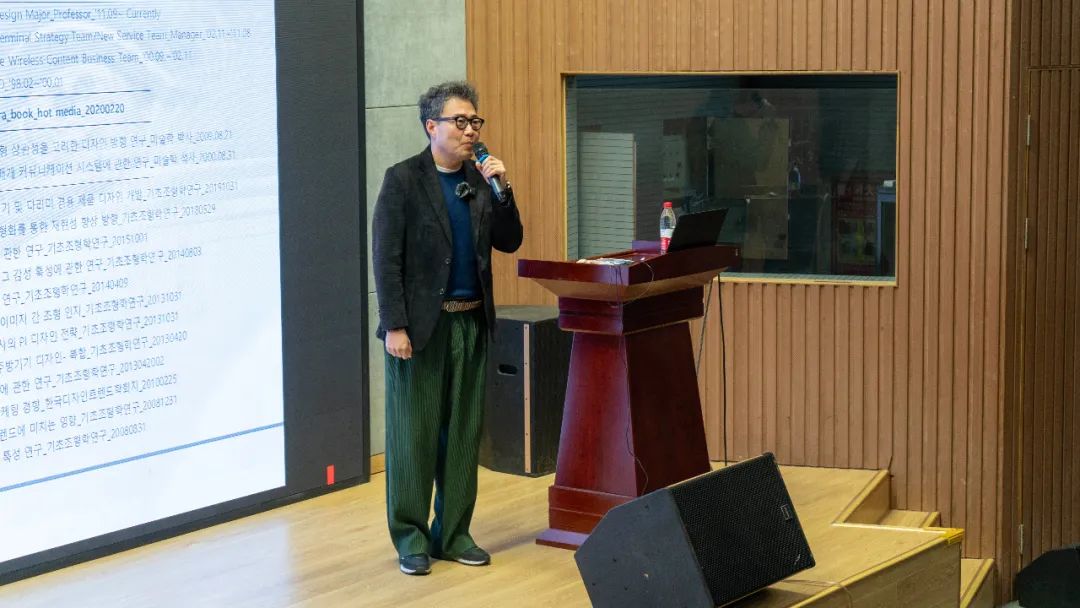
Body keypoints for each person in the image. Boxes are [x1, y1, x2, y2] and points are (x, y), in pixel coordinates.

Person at [372, 81, 523, 576]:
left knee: (461, 436)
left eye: (474, 121)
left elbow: (510, 241)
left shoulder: (481, 180)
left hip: (471, 322)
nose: (470, 130)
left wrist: (504, 190)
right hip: (419, 330)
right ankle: (411, 538)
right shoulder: (403, 180)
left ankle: (453, 534)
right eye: (459, 121)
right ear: (430, 126)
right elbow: (386, 259)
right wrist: (394, 325)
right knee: (413, 436)